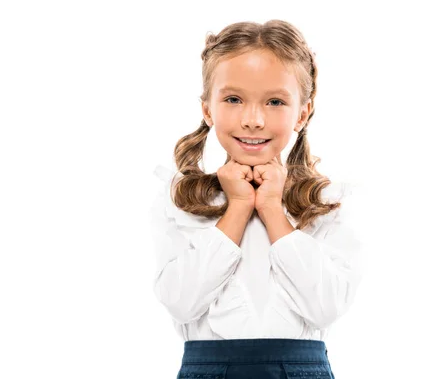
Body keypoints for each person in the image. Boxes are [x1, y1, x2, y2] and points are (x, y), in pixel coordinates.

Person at [150, 19, 364, 379]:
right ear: (207, 109)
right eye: (233, 99)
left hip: (300, 369)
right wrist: (237, 209)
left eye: (275, 101)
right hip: (209, 369)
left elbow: (326, 306)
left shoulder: (327, 202)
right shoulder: (180, 200)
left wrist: (271, 209)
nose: (253, 119)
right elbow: (180, 302)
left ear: (303, 111)